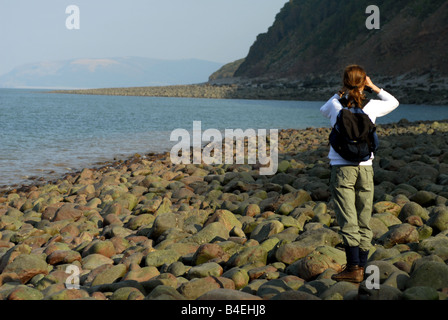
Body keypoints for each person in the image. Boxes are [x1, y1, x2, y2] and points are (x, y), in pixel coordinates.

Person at [320, 65, 399, 283]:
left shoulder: (336, 106)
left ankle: (353, 268)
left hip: (342, 167)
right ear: (364, 82)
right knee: (364, 217)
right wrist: (372, 87)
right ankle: (361, 268)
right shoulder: (371, 106)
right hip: (365, 167)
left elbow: (322, 108)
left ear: (344, 83)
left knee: (348, 218)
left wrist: (341, 92)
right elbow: (394, 103)